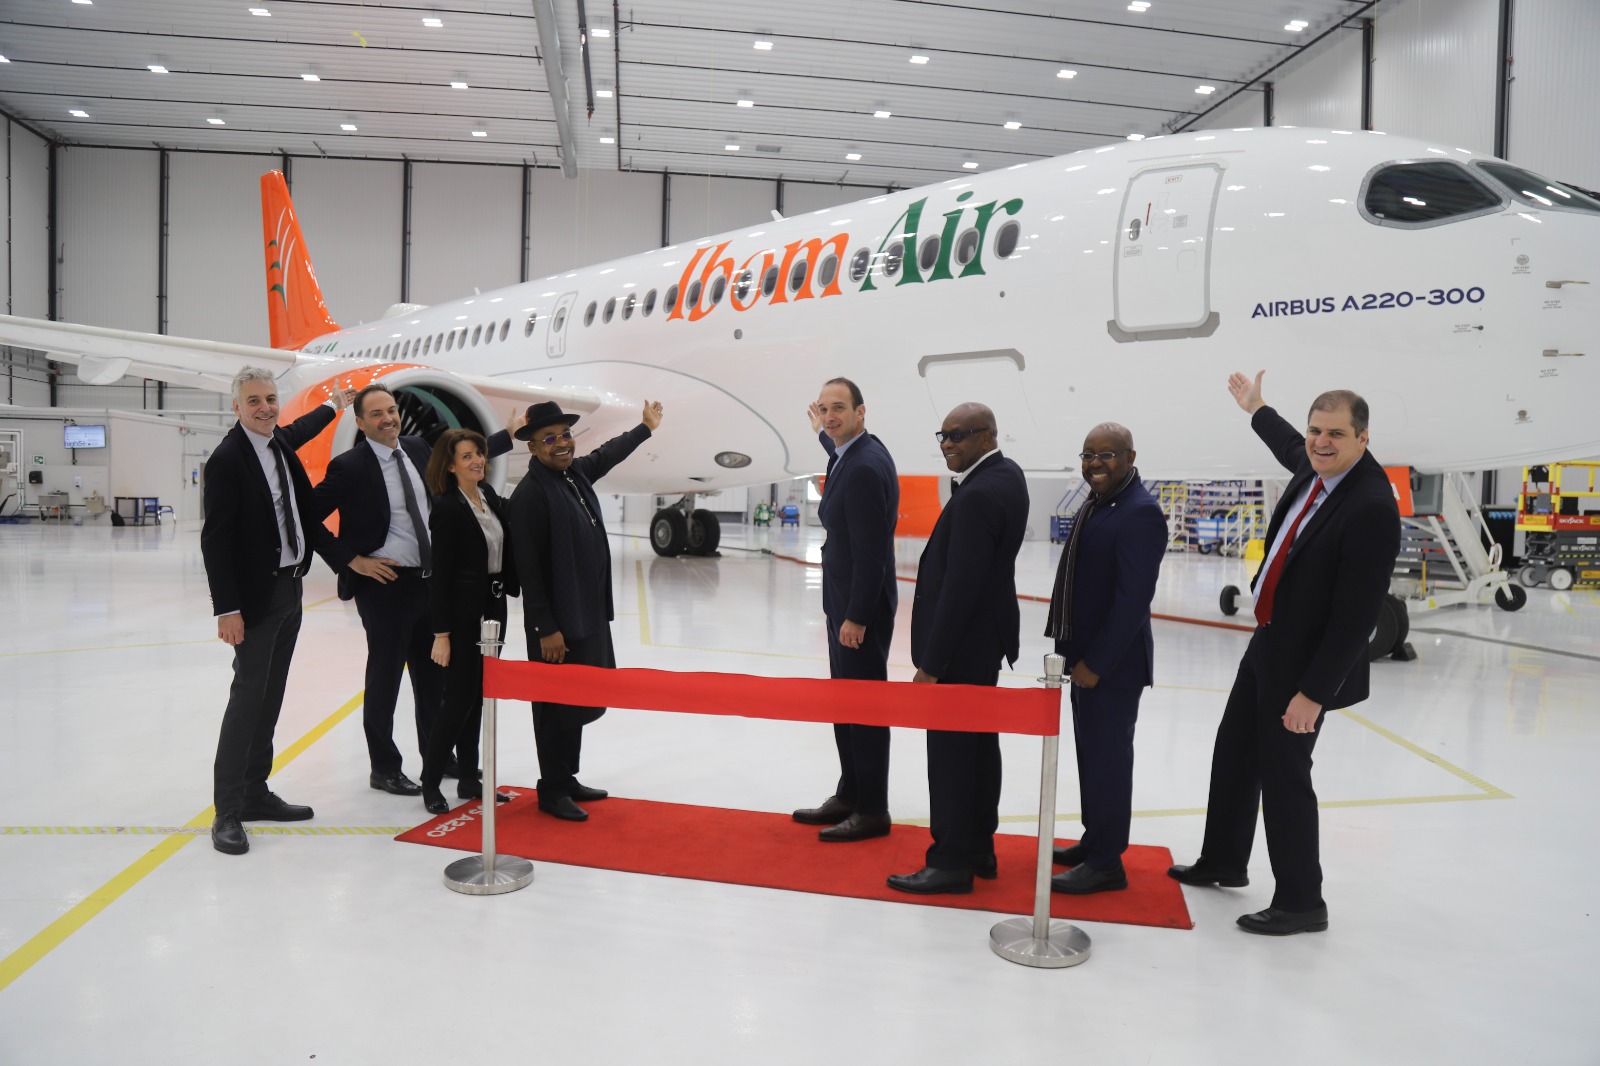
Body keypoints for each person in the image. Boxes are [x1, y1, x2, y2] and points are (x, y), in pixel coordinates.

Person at [1169, 372, 1400, 935]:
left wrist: (1313, 694)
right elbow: (1289, 444)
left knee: (1284, 774)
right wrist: (1257, 408)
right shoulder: (1316, 468)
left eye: (1336, 434)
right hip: (1270, 641)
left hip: (1307, 665)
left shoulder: (1370, 505)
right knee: (1234, 752)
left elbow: (1355, 620)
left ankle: (1301, 901)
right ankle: (1224, 860)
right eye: (1316, 430)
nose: (1321, 442)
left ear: (1363, 438)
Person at [310, 386, 512, 798]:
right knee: (385, 678)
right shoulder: (349, 467)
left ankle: (436, 757)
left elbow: (461, 458)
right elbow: (307, 516)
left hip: (432, 583)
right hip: (385, 586)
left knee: (434, 678)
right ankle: (384, 767)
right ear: (360, 422)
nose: (388, 418)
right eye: (376, 414)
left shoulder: (418, 448)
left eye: (391, 410)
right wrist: (352, 560)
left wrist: (507, 436)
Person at [201, 367, 352, 855]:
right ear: (236, 407)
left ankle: (254, 792)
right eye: (254, 401)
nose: (265, 408)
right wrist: (228, 609)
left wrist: (335, 405)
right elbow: (215, 541)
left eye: (270, 399)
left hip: (290, 590)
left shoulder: (278, 441)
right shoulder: (227, 460)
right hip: (255, 600)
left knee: (270, 697)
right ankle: (227, 812)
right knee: (247, 700)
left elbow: (302, 427)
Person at [887, 404, 1029, 895]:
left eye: (959, 435)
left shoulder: (979, 495)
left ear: (987, 436)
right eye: (943, 435)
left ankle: (949, 861)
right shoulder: (1008, 475)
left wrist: (931, 665)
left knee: (951, 758)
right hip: (985, 642)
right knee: (979, 749)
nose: (947, 444)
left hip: (961, 650)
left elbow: (960, 589)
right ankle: (979, 848)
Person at [506, 398, 664, 821]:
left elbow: (607, 454)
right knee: (553, 707)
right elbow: (529, 570)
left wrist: (644, 428)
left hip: (585, 613)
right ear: (533, 447)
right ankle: (552, 789)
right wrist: (545, 628)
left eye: (566, 435)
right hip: (556, 625)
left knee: (576, 700)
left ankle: (568, 777)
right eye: (550, 439)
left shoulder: (573, 473)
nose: (562, 444)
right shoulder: (530, 495)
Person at [1043, 423, 1168, 894]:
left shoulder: (1140, 512)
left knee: (1109, 763)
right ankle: (1095, 842)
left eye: (1107, 454)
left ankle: (1107, 863)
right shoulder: (1101, 502)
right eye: (1088, 454)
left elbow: (1132, 602)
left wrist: (1095, 663)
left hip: (1111, 668)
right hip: (1085, 662)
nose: (1095, 463)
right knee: (1092, 759)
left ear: (1131, 457)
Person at [792, 377, 901, 842]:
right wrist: (822, 432)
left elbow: (872, 554)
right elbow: (836, 450)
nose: (830, 416)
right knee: (846, 703)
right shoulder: (851, 453)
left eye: (839, 408)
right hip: (844, 602)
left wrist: (856, 616)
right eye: (824, 409)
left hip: (860, 608)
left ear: (861, 411)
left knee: (864, 708)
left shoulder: (863, 468)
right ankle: (850, 793)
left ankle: (872, 809)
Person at [420, 428, 520, 815]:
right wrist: (441, 633)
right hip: (462, 617)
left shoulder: (487, 495)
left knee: (480, 695)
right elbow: (441, 574)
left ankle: (468, 777)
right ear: (450, 466)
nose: (477, 460)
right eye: (467, 456)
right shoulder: (446, 508)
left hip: (494, 607)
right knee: (458, 699)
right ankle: (431, 781)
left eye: (479, 453)